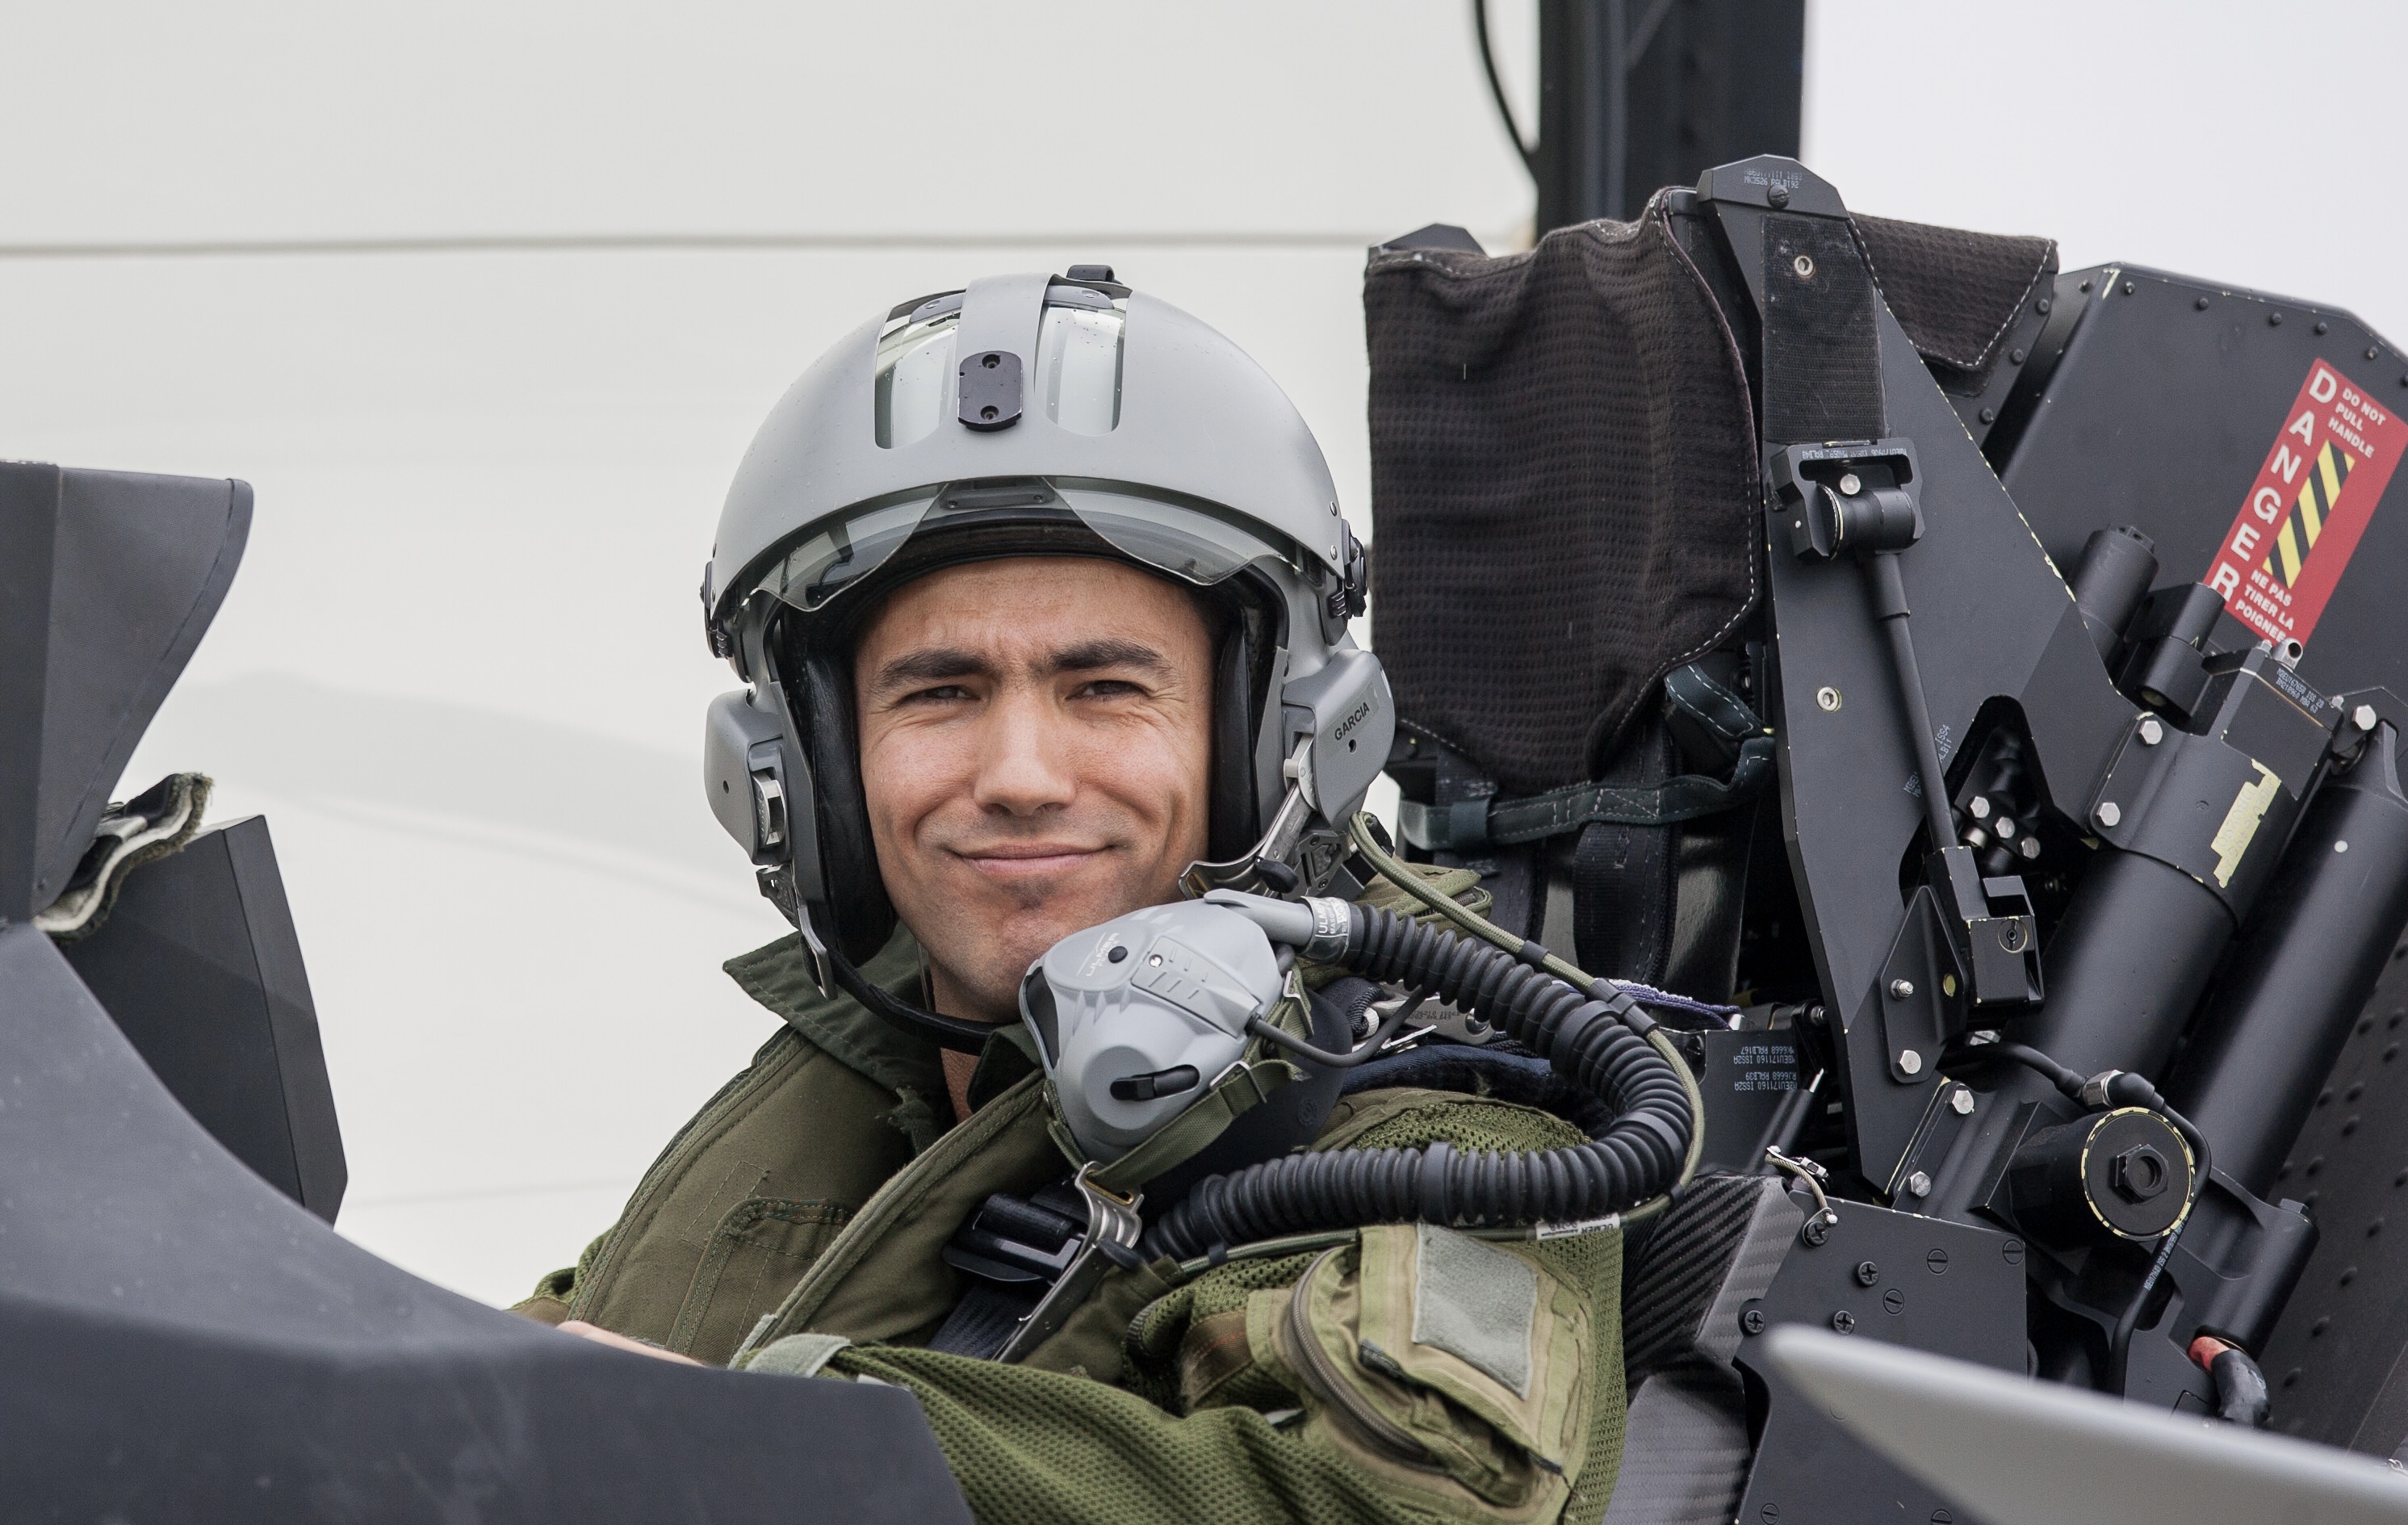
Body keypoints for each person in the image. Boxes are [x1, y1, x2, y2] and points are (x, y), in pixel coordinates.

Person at [514, 270, 1631, 1524]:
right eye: (938, 692)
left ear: (1273, 738)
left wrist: (760, 1442)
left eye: (1104, 687)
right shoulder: (856, 1080)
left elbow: (1401, 1503)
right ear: (805, 767)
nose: (1020, 777)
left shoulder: (1440, 1131)